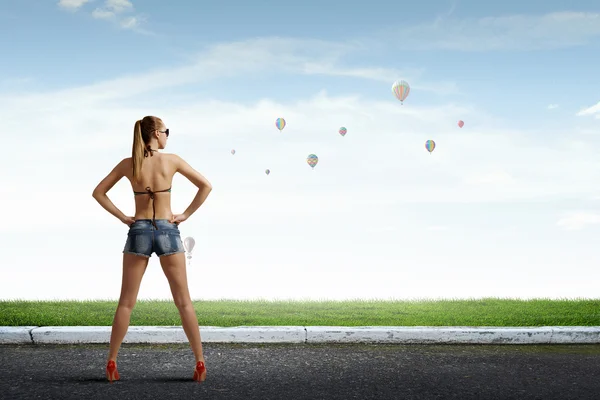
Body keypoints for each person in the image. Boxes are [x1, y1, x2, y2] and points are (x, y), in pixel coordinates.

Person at [92, 116, 213, 383]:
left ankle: (111, 362)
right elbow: (206, 185)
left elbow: (98, 192)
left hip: (139, 231)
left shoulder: (129, 164)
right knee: (183, 301)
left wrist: (124, 217)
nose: (168, 135)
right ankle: (200, 363)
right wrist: (185, 214)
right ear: (157, 134)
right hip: (168, 230)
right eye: (166, 131)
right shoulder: (172, 161)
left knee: (126, 302)